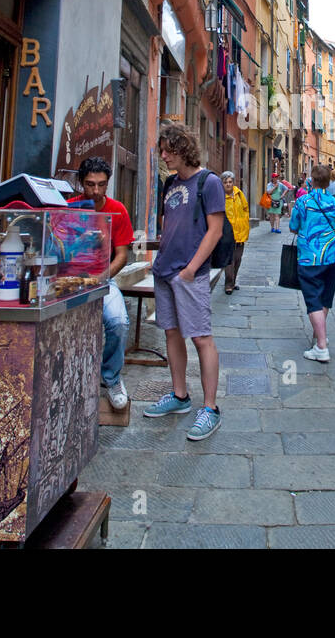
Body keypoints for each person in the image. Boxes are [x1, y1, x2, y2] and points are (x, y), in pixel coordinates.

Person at [143, 122, 226, 440]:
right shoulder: (170, 184)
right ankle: (179, 397)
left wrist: (190, 269)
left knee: (201, 337)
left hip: (188, 274)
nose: (163, 156)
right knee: (172, 334)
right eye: (162, 150)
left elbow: (214, 231)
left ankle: (210, 409)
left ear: (183, 149)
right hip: (165, 272)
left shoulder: (210, 182)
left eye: (167, 150)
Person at [76, 156, 135, 409]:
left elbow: (122, 255)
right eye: (90, 184)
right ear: (81, 184)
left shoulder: (118, 210)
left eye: (101, 184)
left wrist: (103, 277)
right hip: (71, 280)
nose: (96, 191)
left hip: (103, 279)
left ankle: (111, 378)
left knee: (119, 322)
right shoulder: (69, 206)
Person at [288, 164, 335, 363]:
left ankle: (321, 346)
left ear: (311, 180)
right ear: (329, 182)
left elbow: (293, 226)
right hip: (333, 255)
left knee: (313, 298)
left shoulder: (303, 201)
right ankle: (318, 335)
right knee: (325, 297)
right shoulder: (334, 202)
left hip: (309, 257)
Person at [221, 171, 249, 294]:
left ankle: (233, 282)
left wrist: (245, 222)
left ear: (233, 182)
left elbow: (245, 208)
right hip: (228, 233)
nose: (228, 184)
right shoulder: (220, 196)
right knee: (229, 260)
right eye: (225, 182)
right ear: (222, 184)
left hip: (241, 232)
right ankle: (228, 284)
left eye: (230, 182)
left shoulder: (239, 194)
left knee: (238, 259)